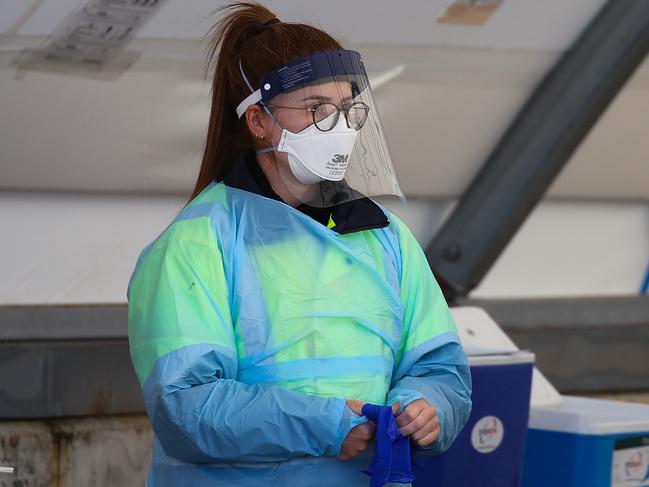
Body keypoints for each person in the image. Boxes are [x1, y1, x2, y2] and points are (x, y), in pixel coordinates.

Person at [127, 2, 472, 486]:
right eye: (315, 110)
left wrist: (428, 408)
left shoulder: (384, 237)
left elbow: (438, 367)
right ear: (258, 120)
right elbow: (186, 406)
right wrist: (325, 425)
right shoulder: (197, 243)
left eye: (348, 109)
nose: (339, 129)